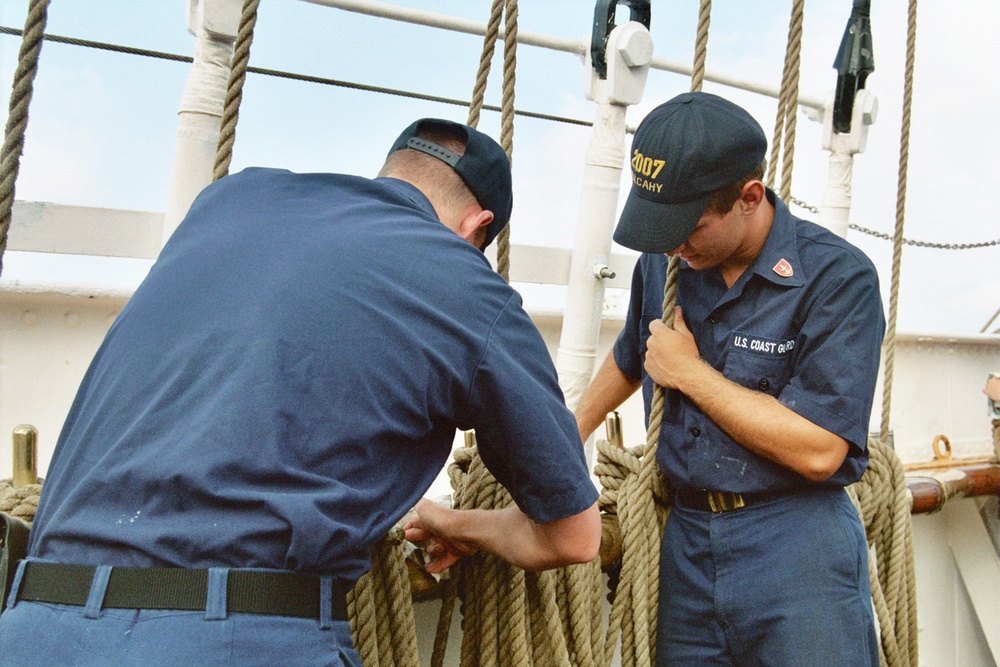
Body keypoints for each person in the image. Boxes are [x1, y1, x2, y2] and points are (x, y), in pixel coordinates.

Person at [0, 118, 600, 666]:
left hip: (33, 621)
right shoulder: (467, 284)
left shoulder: (229, 200)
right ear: (479, 227)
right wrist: (458, 525)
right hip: (232, 641)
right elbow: (574, 537)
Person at [575, 92, 885, 666]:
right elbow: (629, 357)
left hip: (797, 544)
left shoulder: (838, 279)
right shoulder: (668, 259)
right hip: (686, 542)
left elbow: (820, 450)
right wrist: (569, 434)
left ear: (749, 198)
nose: (672, 244)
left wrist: (690, 374)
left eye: (689, 227)